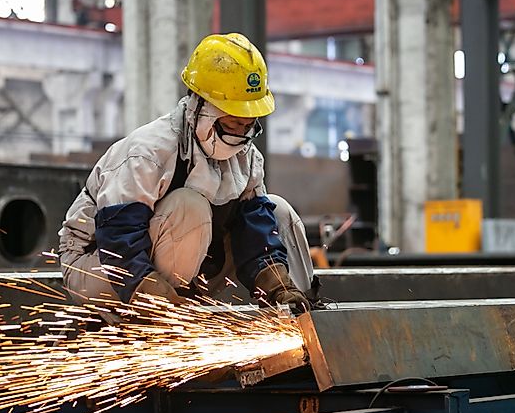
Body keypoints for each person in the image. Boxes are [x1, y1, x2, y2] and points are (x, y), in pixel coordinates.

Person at [58, 32, 320, 313]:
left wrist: (278, 286)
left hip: (191, 271)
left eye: (248, 126)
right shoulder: (149, 152)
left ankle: (298, 316)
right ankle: (156, 322)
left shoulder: (247, 158)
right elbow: (118, 240)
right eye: (231, 124)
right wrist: (153, 292)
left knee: (278, 211)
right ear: (199, 107)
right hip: (100, 268)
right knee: (188, 206)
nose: (240, 136)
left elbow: (255, 234)